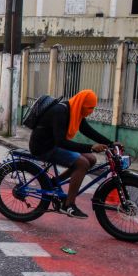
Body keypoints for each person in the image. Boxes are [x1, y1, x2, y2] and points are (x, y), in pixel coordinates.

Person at [29, 90, 115, 219]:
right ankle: (68, 205)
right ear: (81, 104)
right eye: (89, 108)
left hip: (54, 145)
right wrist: (91, 147)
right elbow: (61, 142)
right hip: (43, 147)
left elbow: (88, 131)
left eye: (93, 108)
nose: (91, 111)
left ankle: (55, 182)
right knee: (82, 163)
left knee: (91, 159)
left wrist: (111, 144)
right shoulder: (61, 112)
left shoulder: (76, 111)